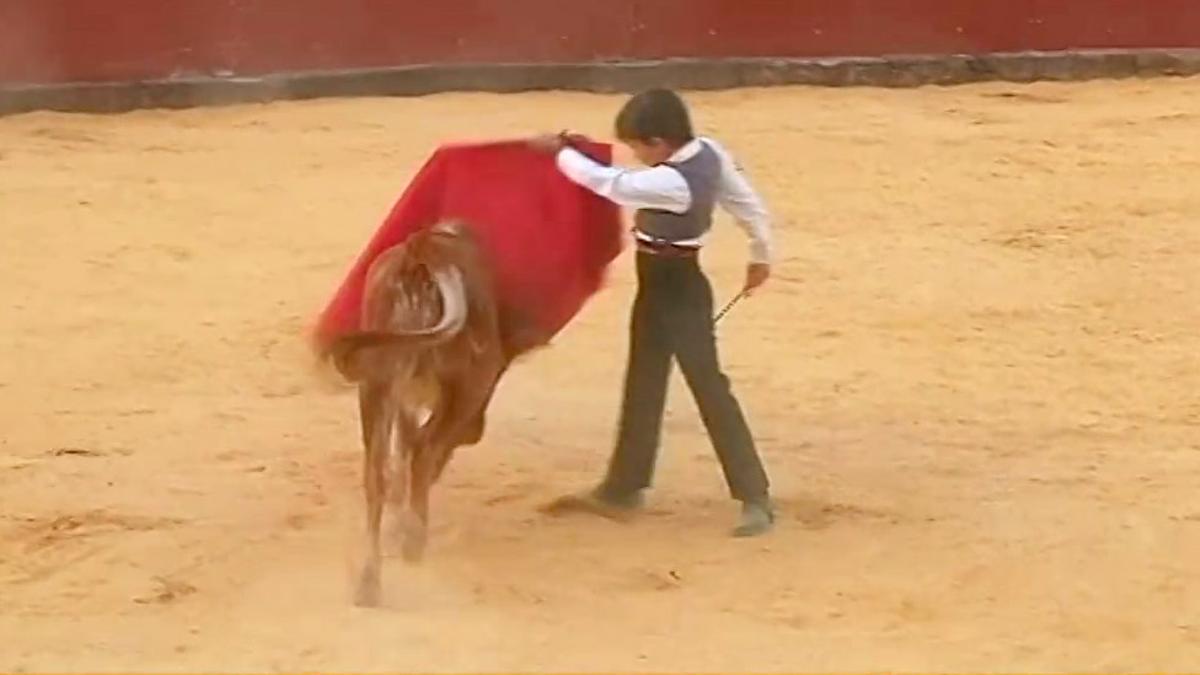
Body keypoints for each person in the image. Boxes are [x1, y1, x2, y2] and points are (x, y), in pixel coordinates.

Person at [531, 88, 776, 537]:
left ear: (660, 142)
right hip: (662, 281)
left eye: (640, 146)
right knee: (644, 378)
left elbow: (612, 184)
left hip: (679, 290)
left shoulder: (672, 182)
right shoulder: (711, 154)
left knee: (708, 386)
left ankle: (755, 496)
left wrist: (560, 155)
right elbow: (746, 203)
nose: (637, 154)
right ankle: (624, 487)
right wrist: (761, 252)